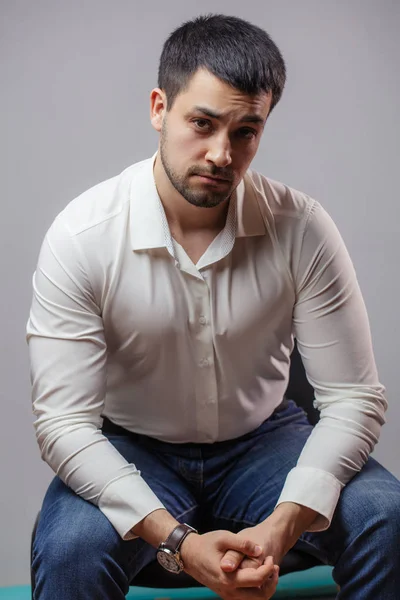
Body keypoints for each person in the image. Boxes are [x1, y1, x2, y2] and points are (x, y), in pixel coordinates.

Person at [27, 13, 400, 600]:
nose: (222, 154)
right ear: (158, 108)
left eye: (246, 131)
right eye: (201, 123)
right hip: (134, 444)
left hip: (264, 440)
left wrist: (286, 522)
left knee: (387, 517)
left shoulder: (301, 228)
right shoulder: (83, 236)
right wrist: (177, 540)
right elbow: (63, 424)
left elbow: (354, 398)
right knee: (70, 552)